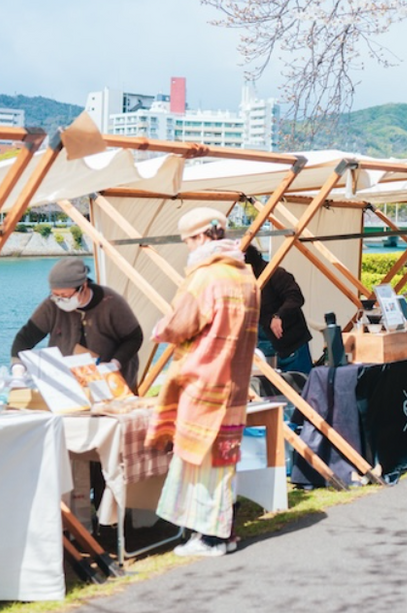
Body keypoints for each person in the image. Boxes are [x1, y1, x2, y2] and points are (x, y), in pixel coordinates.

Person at [146, 207, 259, 557]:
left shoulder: (205, 277)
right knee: (223, 461)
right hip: (236, 381)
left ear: (200, 238)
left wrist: (161, 329)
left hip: (205, 379)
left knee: (202, 462)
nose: (187, 249)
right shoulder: (247, 277)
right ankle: (221, 532)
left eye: (187, 241)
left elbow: (180, 323)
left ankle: (211, 537)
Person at [11, 258, 144, 386]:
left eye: (65, 296)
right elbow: (25, 338)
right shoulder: (51, 305)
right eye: (55, 295)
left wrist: (114, 364)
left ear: (83, 286)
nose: (60, 300)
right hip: (68, 381)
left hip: (113, 380)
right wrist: (18, 370)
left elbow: (134, 338)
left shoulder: (111, 302)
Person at [243, 244, 313, 374]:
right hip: (262, 347)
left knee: (301, 386)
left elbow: (295, 297)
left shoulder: (275, 273)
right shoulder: (241, 283)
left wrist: (279, 316)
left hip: (290, 345)